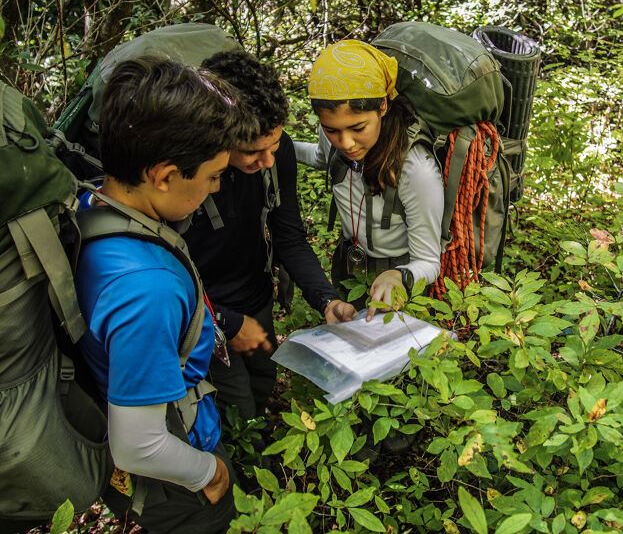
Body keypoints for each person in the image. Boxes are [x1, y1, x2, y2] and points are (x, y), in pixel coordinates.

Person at [75, 56, 258, 534]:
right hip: (174, 481)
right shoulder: (147, 288)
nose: (216, 188)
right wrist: (209, 473)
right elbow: (138, 444)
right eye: (214, 175)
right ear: (163, 175)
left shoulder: (92, 203)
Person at [183, 50, 357, 422]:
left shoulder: (278, 157)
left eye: (274, 145)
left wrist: (326, 300)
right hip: (201, 314)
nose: (266, 160)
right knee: (236, 411)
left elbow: (289, 235)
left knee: (262, 384)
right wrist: (224, 324)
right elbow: (164, 271)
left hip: (256, 297)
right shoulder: (184, 176)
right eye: (251, 152)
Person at [294, 40, 445, 320]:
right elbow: (319, 157)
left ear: (383, 106)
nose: (346, 143)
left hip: (397, 273)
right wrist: (278, 146)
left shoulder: (415, 169)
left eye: (358, 128)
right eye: (331, 130)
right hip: (349, 260)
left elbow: (428, 261)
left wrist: (400, 277)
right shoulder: (337, 136)